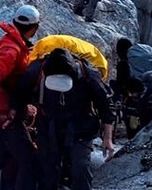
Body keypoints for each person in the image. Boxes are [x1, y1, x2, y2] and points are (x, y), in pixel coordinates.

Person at [16, 48, 116, 190]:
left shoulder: (87, 75)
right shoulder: (36, 71)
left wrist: (108, 139)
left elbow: (106, 105)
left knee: (80, 168)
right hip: (48, 127)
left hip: (81, 127)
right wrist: (24, 110)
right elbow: (18, 94)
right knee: (47, 171)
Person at [0, 5, 40, 190]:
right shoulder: (12, 50)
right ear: (34, 28)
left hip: (4, 108)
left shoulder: (10, 42)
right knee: (27, 159)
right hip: (6, 112)